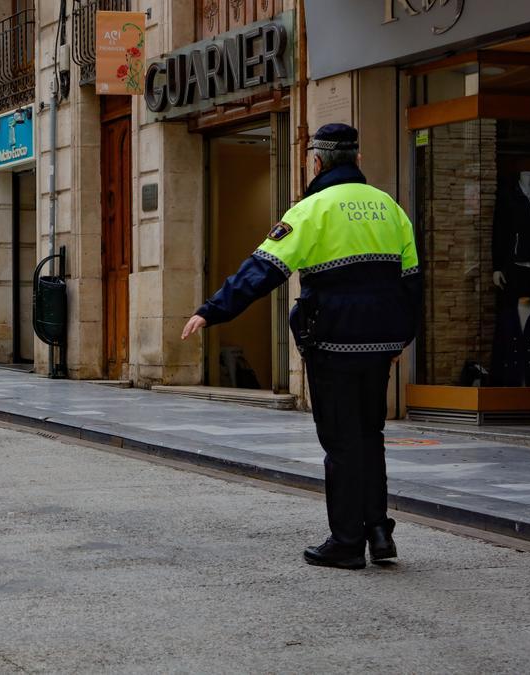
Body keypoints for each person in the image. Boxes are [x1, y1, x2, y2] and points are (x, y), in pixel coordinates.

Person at [182, 123, 422, 570]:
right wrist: (401, 338)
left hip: (333, 341)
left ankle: (346, 542)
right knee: (371, 436)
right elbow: (412, 281)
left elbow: (263, 268)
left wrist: (213, 311)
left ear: (315, 161)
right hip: (381, 342)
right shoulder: (391, 208)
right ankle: (378, 531)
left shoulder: (312, 208)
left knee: (340, 441)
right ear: (358, 160)